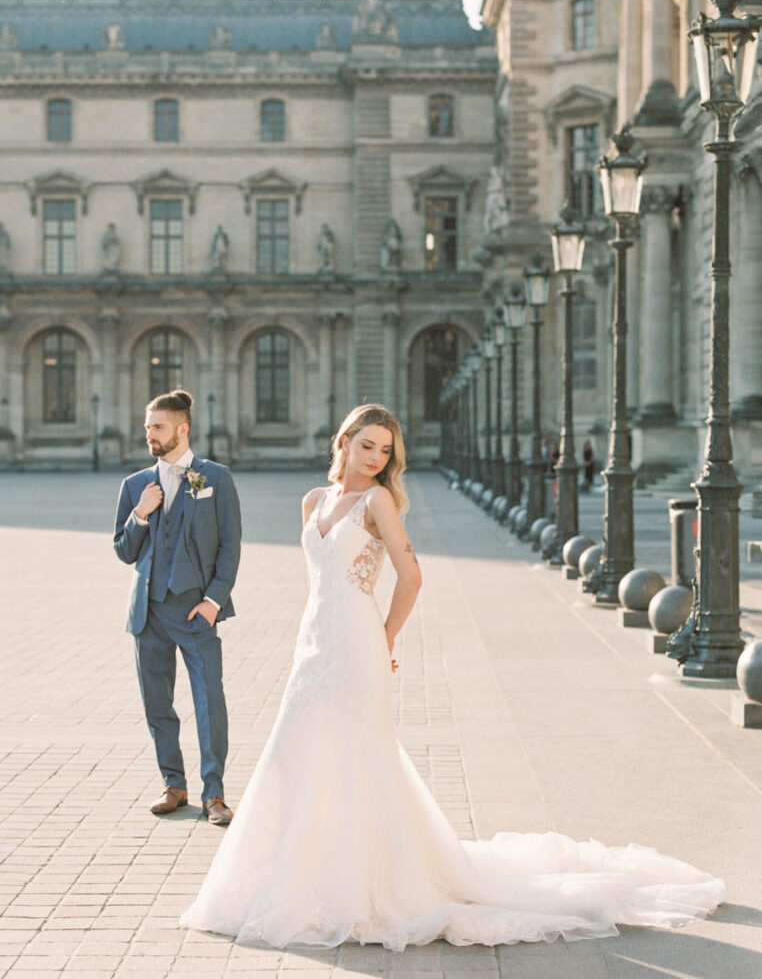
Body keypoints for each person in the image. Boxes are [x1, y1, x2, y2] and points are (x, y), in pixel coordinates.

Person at [180, 403, 723, 950]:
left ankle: (360, 885)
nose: (374, 457)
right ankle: (301, 877)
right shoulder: (313, 501)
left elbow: (411, 577)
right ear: (343, 441)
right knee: (299, 751)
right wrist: (315, 631)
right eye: (366, 444)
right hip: (314, 642)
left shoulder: (378, 501)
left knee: (354, 755)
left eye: (385, 450)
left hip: (357, 642)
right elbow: (318, 577)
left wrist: (384, 636)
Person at [113, 390, 242, 825]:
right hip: (148, 614)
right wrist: (141, 515)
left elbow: (230, 545)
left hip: (195, 611)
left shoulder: (215, 479)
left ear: (182, 429)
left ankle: (215, 794)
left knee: (209, 701)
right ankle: (174, 784)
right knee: (158, 704)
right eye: (148, 426)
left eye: (157, 427)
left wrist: (213, 600)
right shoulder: (134, 486)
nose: (149, 434)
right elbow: (124, 551)